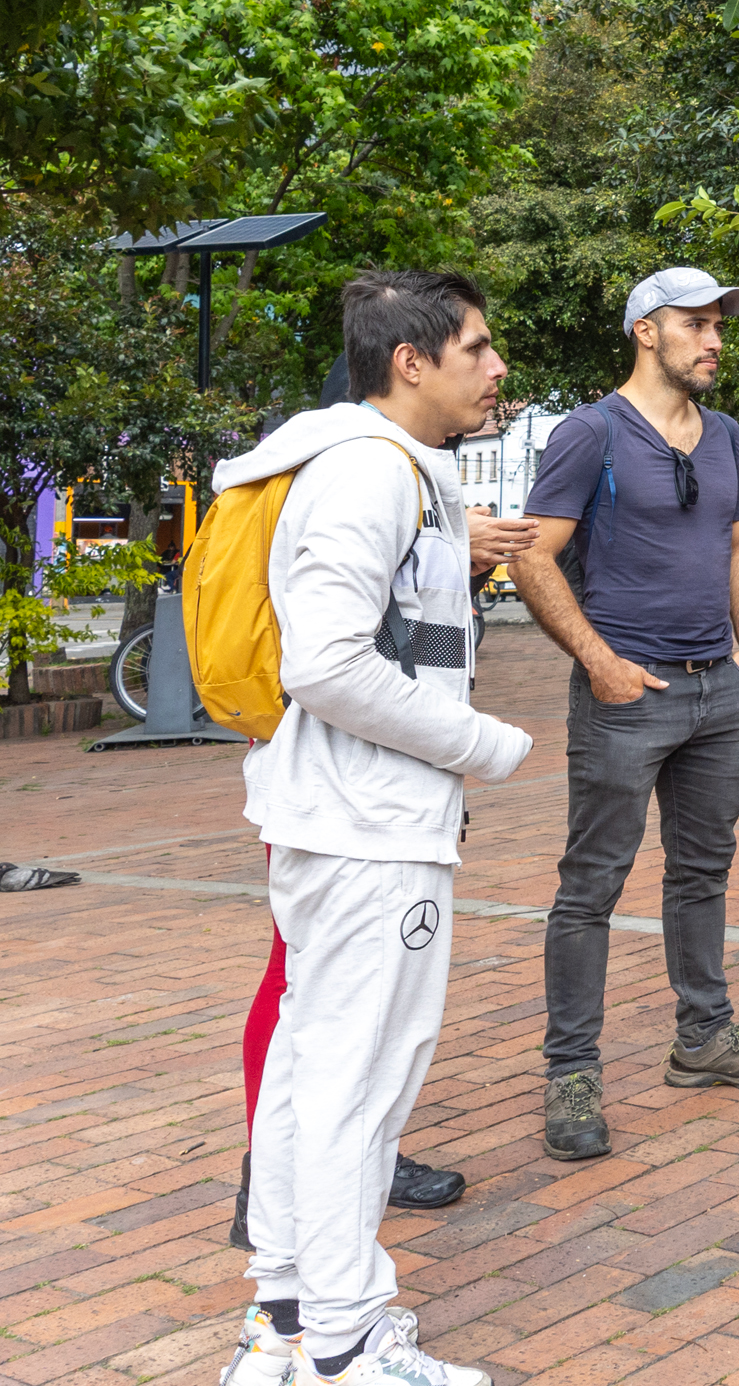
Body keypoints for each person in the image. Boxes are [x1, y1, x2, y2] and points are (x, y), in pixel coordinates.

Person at [215, 272, 536, 1386]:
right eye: (479, 349)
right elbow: (330, 663)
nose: (497, 370)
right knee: (360, 1082)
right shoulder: (370, 472)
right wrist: (479, 743)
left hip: (344, 815)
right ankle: (347, 1339)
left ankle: (288, 1320)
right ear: (412, 360)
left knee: (317, 1072)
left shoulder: (368, 464)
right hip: (370, 825)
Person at [516, 267, 739, 1165]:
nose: (714, 339)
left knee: (703, 872)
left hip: (718, 689)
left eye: (721, 325)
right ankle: (571, 1074)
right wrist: (600, 663)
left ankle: (704, 1035)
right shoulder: (590, 433)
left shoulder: (723, 436)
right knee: (591, 886)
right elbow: (534, 557)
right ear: (647, 331)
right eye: (696, 324)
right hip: (625, 697)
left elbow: (736, 544)